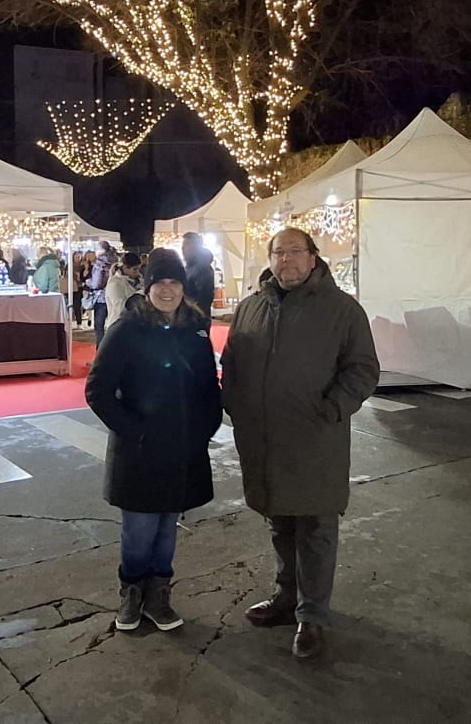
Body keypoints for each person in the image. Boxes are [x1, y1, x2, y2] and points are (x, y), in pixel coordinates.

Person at [221, 227, 379, 660]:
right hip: (265, 441)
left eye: (295, 252)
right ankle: (286, 598)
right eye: (279, 253)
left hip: (315, 440)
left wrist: (333, 408)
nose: (286, 260)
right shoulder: (251, 308)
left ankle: (313, 616)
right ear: (270, 259)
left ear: (313, 258)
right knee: (280, 523)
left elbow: (363, 369)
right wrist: (235, 403)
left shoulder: (342, 310)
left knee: (315, 528)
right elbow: (231, 362)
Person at [86, 252, 221, 632]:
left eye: (174, 283)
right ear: (147, 288)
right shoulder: (126, 329)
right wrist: (136, 431)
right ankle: (131, 592)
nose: (167, 290)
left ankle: (158, 594)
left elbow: (209, 386)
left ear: (183, 287)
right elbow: (98, 390)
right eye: (160, 283)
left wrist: (205, 428)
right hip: (140, 451)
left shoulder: (194, 328)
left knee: (167, 526)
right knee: (140, 528)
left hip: (184, 448)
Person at [181, 232, 216, 326]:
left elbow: (203, 298)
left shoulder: (202, 269)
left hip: (195, 320)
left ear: (195, 248)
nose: (183, 249)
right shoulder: (189, 268)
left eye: (186, 245)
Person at [104, 252, 143, 331]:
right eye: (135, 269)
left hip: (136, 326)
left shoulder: (141, 281)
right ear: (125, 268)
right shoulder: (115, 283)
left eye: (139, 268)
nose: (138, 272)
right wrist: (139, 295)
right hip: (118, 327)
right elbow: (121, 307)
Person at [70, 251, 85, 327]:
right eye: (76, 257)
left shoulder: (83, 266)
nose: (78, 259)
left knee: (78, 305)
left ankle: (79, 322)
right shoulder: (70, 266)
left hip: (80, 287)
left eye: (79, 257)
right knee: (74, 305)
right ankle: (75, 321)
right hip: (71, 287)